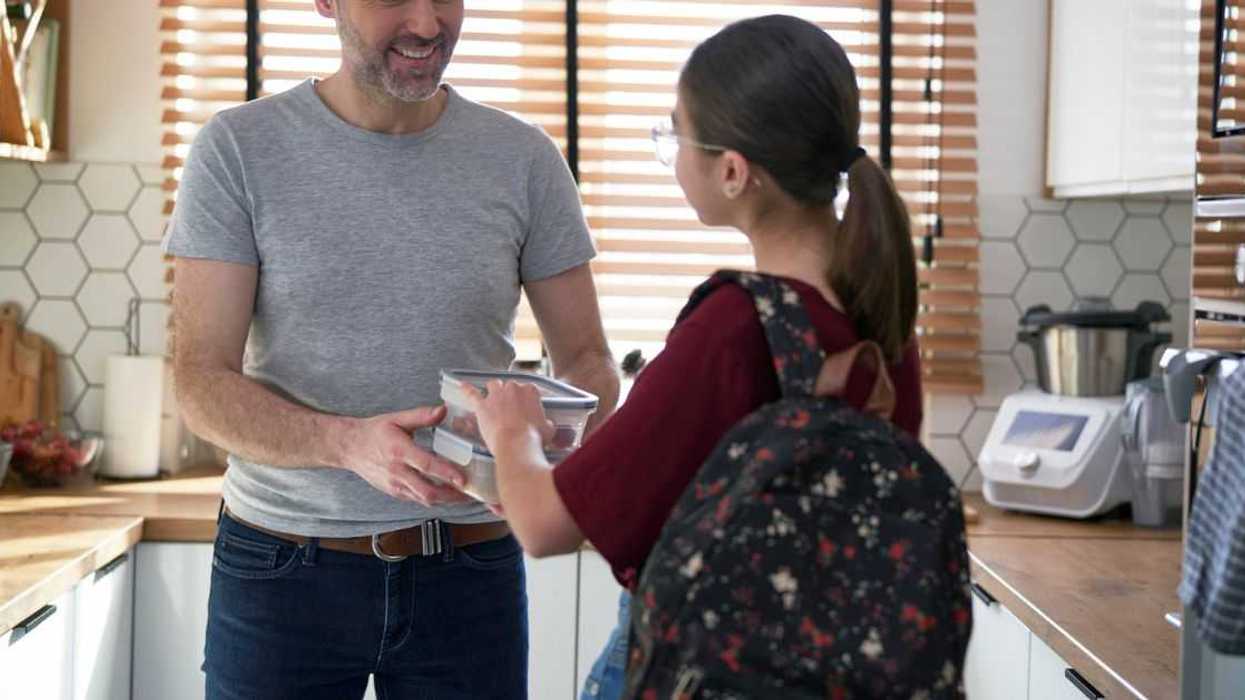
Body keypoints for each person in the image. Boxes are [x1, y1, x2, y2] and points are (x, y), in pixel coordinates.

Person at [165, 0, 619, 698]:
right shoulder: (238, 149)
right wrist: (346, 444)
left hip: (468, 571)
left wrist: (543, 453)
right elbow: (200, 379)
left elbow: (587, 359)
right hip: (282, 574)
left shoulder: (523, 159)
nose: (428, 23)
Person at [467, 14, 924, 700]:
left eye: (676, 133)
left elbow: (542, 525)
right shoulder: (884, 322)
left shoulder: (735, 326)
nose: (672, 150)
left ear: (734, 172)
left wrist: (510, 431)